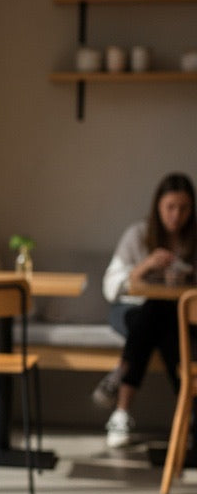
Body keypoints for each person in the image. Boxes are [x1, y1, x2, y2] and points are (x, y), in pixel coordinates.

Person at [93, 172, 196, 448]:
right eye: (170, 207)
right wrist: (146, 265)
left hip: (172, 317)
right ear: (158, 206)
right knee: (157, 316)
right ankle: (188, 419)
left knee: (162, 318)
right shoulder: (139, 234)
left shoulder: (193, 239)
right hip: (129, 311)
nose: (177, 215)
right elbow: (111, 285)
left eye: (184, 208)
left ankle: (121, 401)